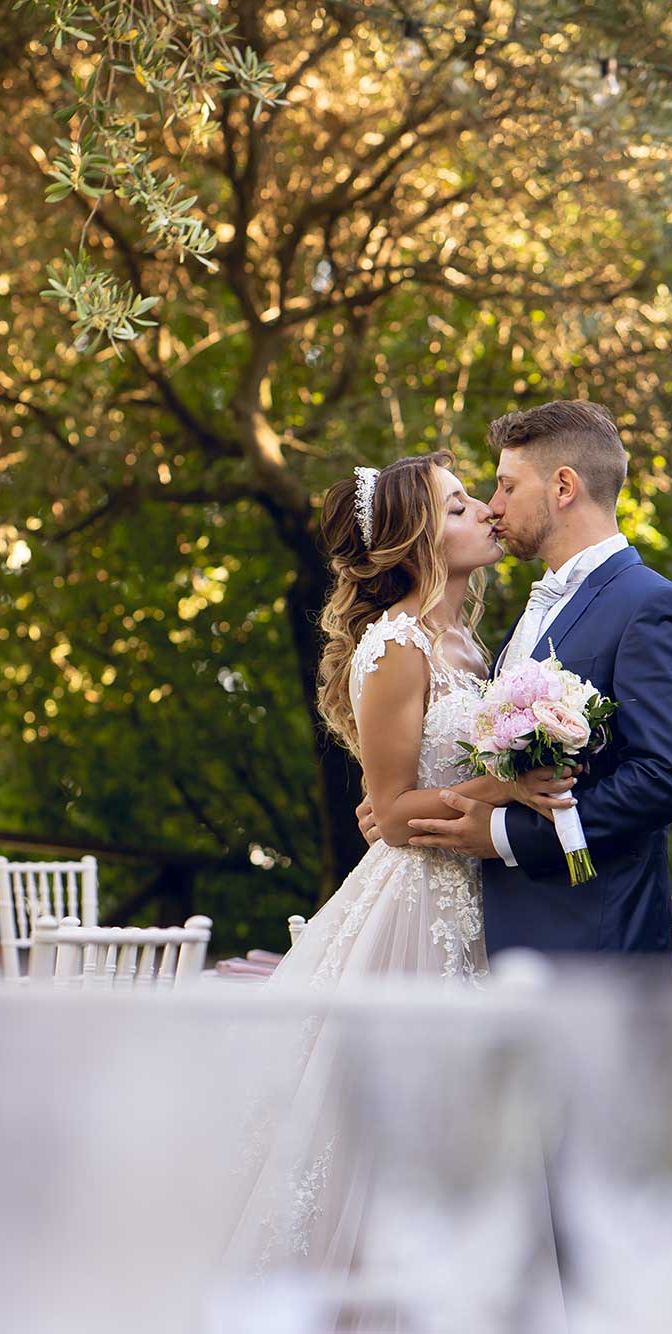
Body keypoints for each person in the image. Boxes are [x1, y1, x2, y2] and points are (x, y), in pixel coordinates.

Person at [224, 449, 572, 1282]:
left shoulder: (470, 642)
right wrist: (502, 789)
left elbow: (402, 803)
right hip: (414, 910)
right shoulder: (394, 646)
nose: (483, 513)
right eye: (456, 507)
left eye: (472, 500)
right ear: (416, 537)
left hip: (481, 895)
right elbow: (389, 812)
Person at [378, 400, 672, 958]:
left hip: (591, 946)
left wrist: (507, 836)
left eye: (508, 486)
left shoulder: (652, 608)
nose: (492, 505)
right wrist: (414, 802)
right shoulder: (525, 619)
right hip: (503, 944)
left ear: (563, 487)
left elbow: (663, 779)